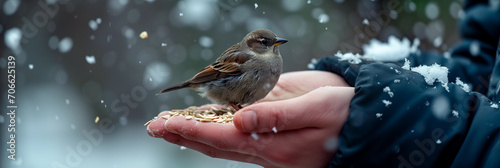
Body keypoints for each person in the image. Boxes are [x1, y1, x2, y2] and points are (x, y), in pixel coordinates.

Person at [147, 0, 500, 167]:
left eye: (274, 43)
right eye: (267, 44)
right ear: (255, 46)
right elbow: (479, 67)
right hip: (220, 91)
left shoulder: (271, 61)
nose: (274, 47)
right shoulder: (243, 59)